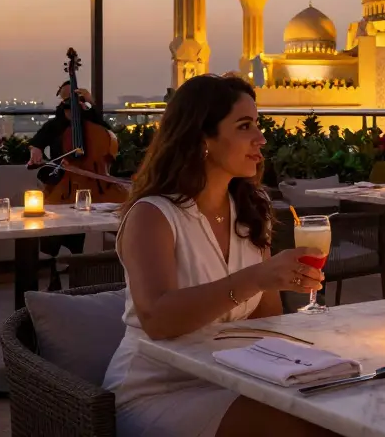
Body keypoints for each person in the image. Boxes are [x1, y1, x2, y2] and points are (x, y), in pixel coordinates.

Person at [102, 73, 338, 437]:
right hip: (160, 389)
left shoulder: (250, 206)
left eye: (257, 124)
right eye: (245, 126)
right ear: (202, 139)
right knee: (305, 426)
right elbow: (157, 319)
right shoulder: (153, 216)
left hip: (232, 377)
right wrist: (257, 278)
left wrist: (309, 359)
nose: (260, 138)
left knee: (336, 408)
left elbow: (266, 318)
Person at [27, 80, 116, 287]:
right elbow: (37, 143)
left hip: (94, 182)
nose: (71, 108)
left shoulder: (93, 122)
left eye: (76, 101)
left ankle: (79, 266)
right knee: (49, 215)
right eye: (67, 102)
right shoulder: (54, 125)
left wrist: (92, 103)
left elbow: (109, 137)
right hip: (63, 180)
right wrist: (35, 151)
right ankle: (54, 267)